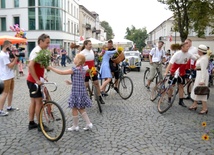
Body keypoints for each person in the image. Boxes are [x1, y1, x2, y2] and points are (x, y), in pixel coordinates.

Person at [48, 54, 93, 131]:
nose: (74, 58)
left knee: (74, 108)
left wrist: (51, 68)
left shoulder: (75, 70)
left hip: (76, 92)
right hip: (82, 91)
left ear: (78, 61)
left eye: (75, 57)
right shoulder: (83, 69)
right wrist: (71, 82)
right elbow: (79, 80)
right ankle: (88, 123)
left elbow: (62, 72)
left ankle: (76, 126)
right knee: (80, 108)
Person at [27, 34, 51, 130]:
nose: (48, 44)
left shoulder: (40, 50)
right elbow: (30, 66)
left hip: (34, 80)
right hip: (34, 82)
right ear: (40, 41)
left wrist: (42, 77)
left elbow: (38, 66)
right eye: (47, 42)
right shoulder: (37, 51)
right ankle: (40, 125)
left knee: (33, 102)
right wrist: (37, 80)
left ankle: (31, 122)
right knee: (39, 103)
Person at [164, 42, 199, 107]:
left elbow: (196, 58)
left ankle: (181, 101)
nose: (188, 48)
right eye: (186, 47)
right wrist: (166, 72)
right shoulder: (177, 54)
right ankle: (169, 99)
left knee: (181, 86)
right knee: (171, 86)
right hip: (174, 71)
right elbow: (170, 64)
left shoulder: (189, 54)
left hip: (182, 72)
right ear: (182, 47)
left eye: (188, 47)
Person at [80, 40, 105, 104]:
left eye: (91, 44)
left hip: (92, 69)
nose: (91, 45)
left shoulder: (91, 51)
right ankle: (83, 98)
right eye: (89, 44)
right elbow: (79, 62)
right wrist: (84, 68)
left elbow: (93, 60)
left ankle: (99, 96)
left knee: (96, 82)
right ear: (85, 45)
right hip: (85, 69)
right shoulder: (82, 53)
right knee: (85, 84)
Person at [0, 40, 19, 116]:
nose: (11, 48)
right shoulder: (3, 55)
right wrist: (16, 59)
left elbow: (9, 63)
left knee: (11, 91)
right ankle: (0, 110)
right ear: (6, 46)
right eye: (10, 46)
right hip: (5, 76)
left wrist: (13, 57)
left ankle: (9, 106)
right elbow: (10, 65)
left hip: (10, 75)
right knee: (5, 93)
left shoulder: (6, 53)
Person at [189, 45, 209, 114]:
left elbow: (203, 69)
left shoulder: (203, 59)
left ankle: (204, 108)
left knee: (202, 91)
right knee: (196, 90)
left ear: (200, 51)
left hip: (202, 76)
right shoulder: (202, 57)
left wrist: (202, 80)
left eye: (198, 50)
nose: (197, 51)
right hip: (199, 74)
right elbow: (195, 58)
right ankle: (195, 104)